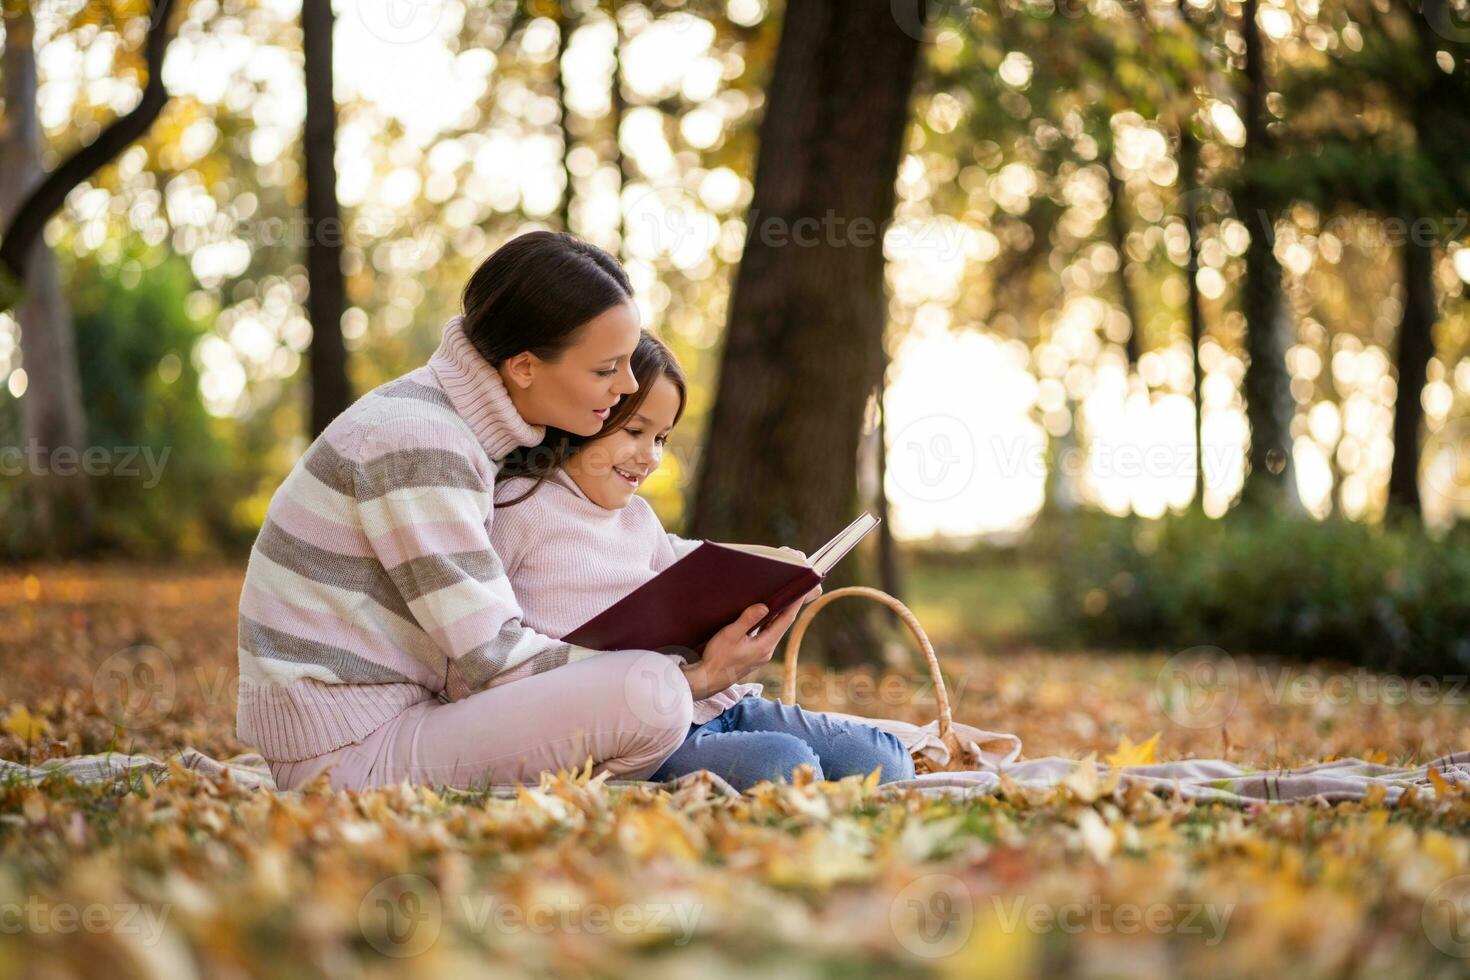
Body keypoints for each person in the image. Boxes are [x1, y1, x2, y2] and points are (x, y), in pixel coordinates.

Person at [239, 232, 816, 791]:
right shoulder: (418, 441)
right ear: (523, 367)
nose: (629, 383)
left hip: (400, 716)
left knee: (651, 691)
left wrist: (754, 570)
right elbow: (492, 657)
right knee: (650, 695)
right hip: (350, 749)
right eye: (605, 368)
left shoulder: (456, 428)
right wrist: (697, 679)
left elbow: (625, 544)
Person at [489, 331, 915, 790]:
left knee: (884, 758)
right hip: (643, 729)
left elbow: (681, 590)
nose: (650, 457)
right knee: (785, 765)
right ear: (583, 414)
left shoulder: (637, 517)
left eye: (661, 438)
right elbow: (495, 646)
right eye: (635, 431)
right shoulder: (519, 509)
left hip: (718, 704)